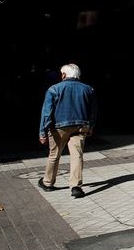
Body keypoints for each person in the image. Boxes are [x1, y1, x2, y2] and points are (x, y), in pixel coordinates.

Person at [37, 64, 97, 198]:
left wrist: (42, 132)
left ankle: (48, 182)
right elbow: (93, 111)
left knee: (54, 155)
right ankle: (76, 186)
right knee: (77, 155)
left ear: (63, 75)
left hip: (59, 127)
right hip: (81, 126)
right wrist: (91, 126)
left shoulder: (54, 89)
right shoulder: (88, 89)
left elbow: (46, 113)